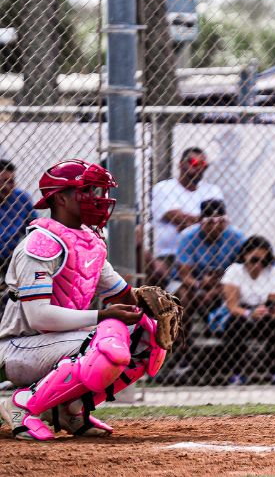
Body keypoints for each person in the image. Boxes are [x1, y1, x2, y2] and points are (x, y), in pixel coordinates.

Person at [0, 159, 167, 441]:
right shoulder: (40, 243)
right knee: (105, 344)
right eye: (87, 191)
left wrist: (149, 306)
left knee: (147, 335)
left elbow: (121, 293)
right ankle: (21, 404)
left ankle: (70, 409)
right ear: (61, 198)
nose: (97, 199)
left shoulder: (88, 241)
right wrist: (103, 316)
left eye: (97, 191)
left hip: (62, 341)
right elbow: (39, 318)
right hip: (18, 347)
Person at [174, 199, 245, 362]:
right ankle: (181, 348)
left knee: (236, 290)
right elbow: (185, 275)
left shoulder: (236, 236)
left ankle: (228, 349)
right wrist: (200, 285)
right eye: (210, 222)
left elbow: (242, 269)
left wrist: (219, 287)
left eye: (221, 222)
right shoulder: (188, 237)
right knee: (183, 297)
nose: (216, 227)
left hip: (225, 283)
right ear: (201, 221)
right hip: (193, 283)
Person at [150, 147, 224, 288]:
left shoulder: (213, 190)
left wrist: (188, 224)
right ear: (180, 163)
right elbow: (178, 218)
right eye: (193, 162)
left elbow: (217, 224)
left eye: (202, 164)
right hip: (170, 255)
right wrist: (202, 222)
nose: (197, 167)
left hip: (206, 254)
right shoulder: (163, 188)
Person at [219, 236, 275, 386]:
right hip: (240, 312)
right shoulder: (234, 270)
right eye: (254, 259)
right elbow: (232, 306)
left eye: (263, 261)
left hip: (262, 311)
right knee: (235, 325)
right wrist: (249, 313)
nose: (259, 265)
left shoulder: (272, 271)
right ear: (245, 255)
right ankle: (236, 373)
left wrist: (270, 309)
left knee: (274, 323)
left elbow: (274, 300)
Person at [0, 160, 36, 288]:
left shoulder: (21, 199)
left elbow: (34, 227)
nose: (8, 186)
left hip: (13, 253)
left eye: (11, 181)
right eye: (3, 181)